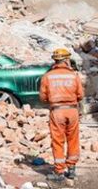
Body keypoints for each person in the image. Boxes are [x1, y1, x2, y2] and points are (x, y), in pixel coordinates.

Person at [41, 47, 84, 181]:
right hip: (72, 110)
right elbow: (80, 95)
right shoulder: (74, 76)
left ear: (55, 61)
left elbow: (43, 98)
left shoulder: (47, 76)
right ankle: (71, 169)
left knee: (58, 141)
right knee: (73, 139)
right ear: (66, 60)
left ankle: (59, 172)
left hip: (57, 111)